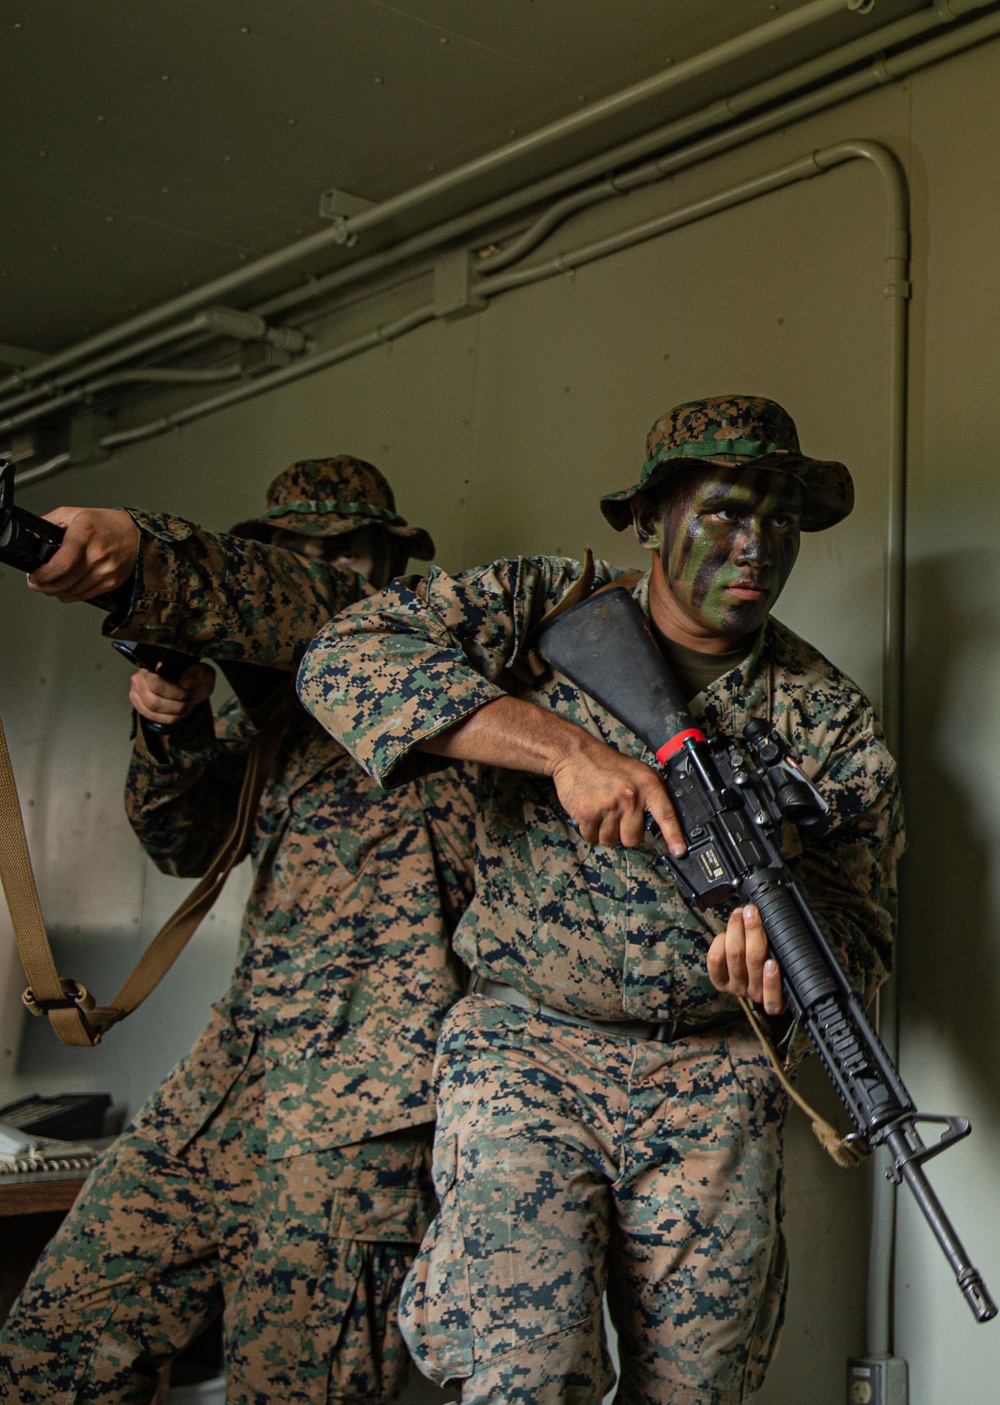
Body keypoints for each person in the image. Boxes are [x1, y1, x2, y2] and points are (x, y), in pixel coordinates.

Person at [295, 398, 905, 1404]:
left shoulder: (825, 715)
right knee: (526, 1374)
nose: (755, 544)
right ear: (650, 517)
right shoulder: (544, 610)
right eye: (722, 511)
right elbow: (345, 658)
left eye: (782, 519)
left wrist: (781, 961)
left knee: (698, 1388)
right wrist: (563, 750)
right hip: (530, 1051)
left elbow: (865, 934)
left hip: (712, 1077)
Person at [0, 458, 476, 1404]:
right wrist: (169, 724)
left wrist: (142, 560)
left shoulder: (445, 679)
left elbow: (314, 612)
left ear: (391, 563)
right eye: (295, 552)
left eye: (348, 554)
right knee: (51, 1344)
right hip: (235, 1079)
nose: (324, 569)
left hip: (362, 1106)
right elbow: (181, 841)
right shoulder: (271, 721)